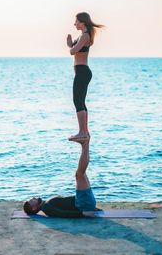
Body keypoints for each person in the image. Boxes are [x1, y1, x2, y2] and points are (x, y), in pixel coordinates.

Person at [23, 138, 100, 217]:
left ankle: (85, 143)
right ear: (34, 208)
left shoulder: (45, 205)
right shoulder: (46, 208)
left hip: (84, 202)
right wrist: (82, 214)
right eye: (31, 201)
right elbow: (61, 213)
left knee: (81, 173)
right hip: (83, 204)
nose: (33, 198)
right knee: (80, 174)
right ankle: (85, 144)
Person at [67, 12, 104, 142]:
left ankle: (82, 132)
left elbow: (73, 51)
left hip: (82, 71)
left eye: (76, 21)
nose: (74, 23)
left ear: (82, 22)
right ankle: (85, 131)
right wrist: (71, 43)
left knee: (77, 101)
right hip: (82, 71)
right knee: (80, 101)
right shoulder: (84, 35)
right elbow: (74, 49)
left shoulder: (85, 36)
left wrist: (70, 46)